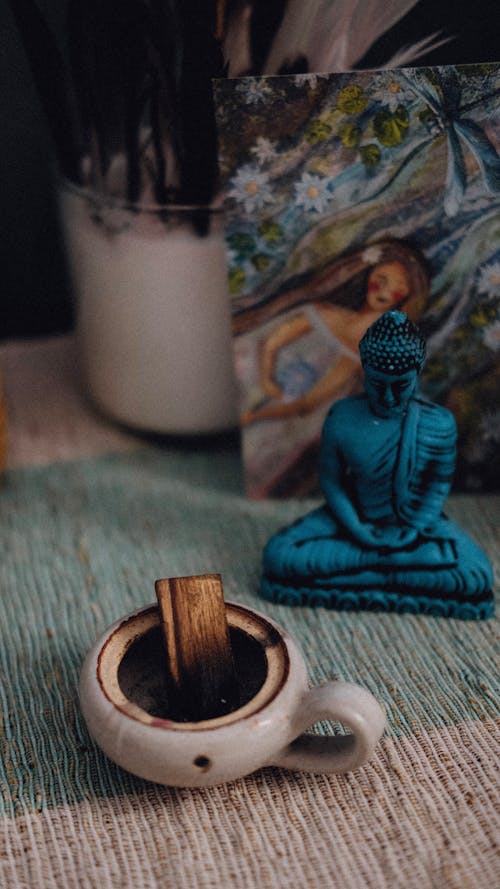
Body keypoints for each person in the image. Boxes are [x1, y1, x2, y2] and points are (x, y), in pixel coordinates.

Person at [261, 310, 494, 618]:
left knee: (475, 573)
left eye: (399, 385)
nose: (387, 396)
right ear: (365, 371)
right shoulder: (343, 416)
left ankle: (368, 568)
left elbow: (435, 488)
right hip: (352, 518)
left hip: (413, 525)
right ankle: (397, 565)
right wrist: (358, 529)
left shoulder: (437, 423)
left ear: (417, 371)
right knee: (280, 555)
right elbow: (332, 481)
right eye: (377, 383)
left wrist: (411, 531)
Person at [238, 240, 428, 426]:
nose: (385, 291)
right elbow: (271, 343)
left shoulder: (362, 354)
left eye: (398, 288)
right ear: (370, 274)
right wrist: (266, 379)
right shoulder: (325, 312)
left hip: (273, 416)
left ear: (405, 296)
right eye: (381, 280)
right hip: (248, 377)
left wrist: (256, 416)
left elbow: (307, 404)